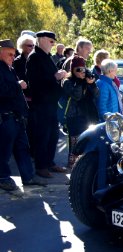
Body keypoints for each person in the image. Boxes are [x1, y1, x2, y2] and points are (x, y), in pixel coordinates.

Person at [0, 39, 46, 191]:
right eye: (9, 54)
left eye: (14, 54)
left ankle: (28, 177)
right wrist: (17, 85)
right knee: (4, 150)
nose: (13, 57)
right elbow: (2, 91)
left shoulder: (9, 68)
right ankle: (3, 178)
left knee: (22, 148)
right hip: (6, 116)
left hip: (17, 116)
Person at [26, 30, 68, 178]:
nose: (53, 44)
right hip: (41, 104)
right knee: (42, 136)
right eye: (51, 41)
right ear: (42, 39)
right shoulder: (35, 57)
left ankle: (49, 162)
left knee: (53, 135)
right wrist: (55, 76)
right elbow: (35, 82)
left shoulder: (46, 57)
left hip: (51, 103)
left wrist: (59, 76)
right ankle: (41, 166)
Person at [62, 56, 99, 168]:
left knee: (88, 141)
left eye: (83, 69)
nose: (81, 72)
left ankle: (85, 165)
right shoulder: (67, 82)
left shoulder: (87, 80)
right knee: (75, 143)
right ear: (72, 70)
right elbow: (77, 96)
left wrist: (91, 83)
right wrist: (79, 81)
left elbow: (97, 94)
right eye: (78, 69)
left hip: (88, 116)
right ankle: (73, 167)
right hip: (74, 117)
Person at [13, 34, 36, 156]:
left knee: (34, 127)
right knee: (25, 127)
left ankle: (32, 151)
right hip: (24, 98)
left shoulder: (34, 59)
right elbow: (18, 80)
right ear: (22, 46)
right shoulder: (17, 62)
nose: (32, 47)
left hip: (35, 98)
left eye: (33, 45)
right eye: (29, 45)